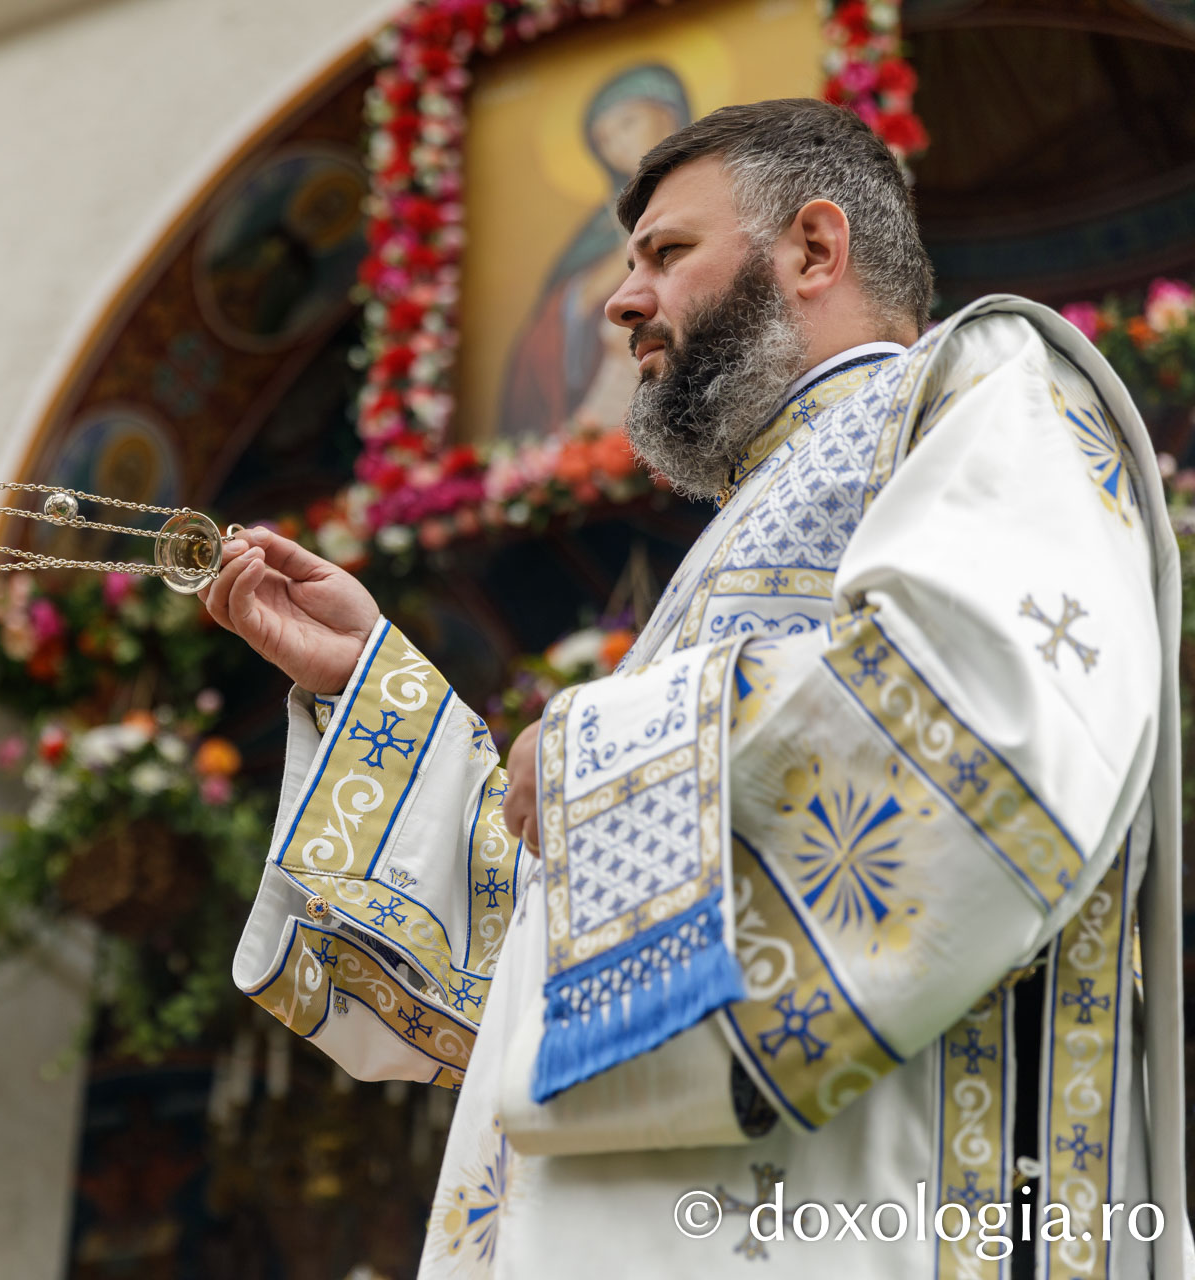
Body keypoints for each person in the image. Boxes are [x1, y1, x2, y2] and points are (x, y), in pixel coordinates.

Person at [208, 98, 1188, 1277]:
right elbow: (560, 965)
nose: (621, 303)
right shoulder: (727, 544)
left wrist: (583, 750)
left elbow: (990, 705)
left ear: (815, 251)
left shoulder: (973, 389)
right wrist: (373, 684)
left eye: (667, 253)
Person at [496, 64, 691, 442]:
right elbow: (551, 324)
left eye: (627, 124)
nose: (616, 145)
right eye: (603, 140)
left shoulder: (719, 187)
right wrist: (582, 294)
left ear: (668, 112)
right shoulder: (602, 225)